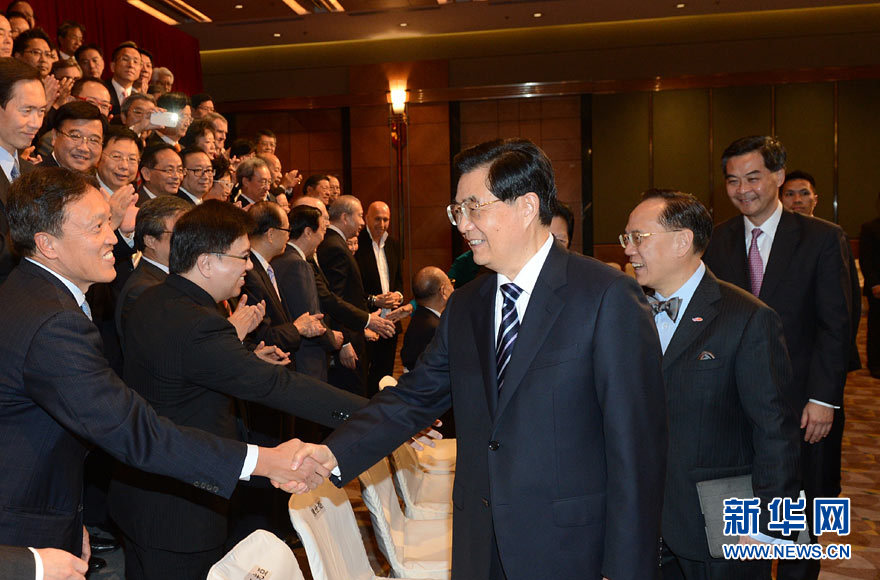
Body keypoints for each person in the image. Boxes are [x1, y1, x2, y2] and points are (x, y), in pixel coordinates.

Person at [293, 138, 667, 580]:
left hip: (570, 548)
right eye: (457, 210)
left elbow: (636, 447)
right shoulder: (468, 304)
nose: (462, 224)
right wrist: (330, 454)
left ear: (527, 206)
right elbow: (413, 399)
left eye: (474, 207)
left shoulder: (605, 295)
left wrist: (627, 568)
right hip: (479, 542)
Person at [0, 167, 324, 560]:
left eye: (111, 221)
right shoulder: (53, 321)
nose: (112, 237)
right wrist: (263, 460)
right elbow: (134, 431)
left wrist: (68, 521)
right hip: (21, 534)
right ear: (47, 244)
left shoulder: (30, 294)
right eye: (97, 226)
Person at [109, 200, 368, 580]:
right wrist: (380, 416)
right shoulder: (197, 322)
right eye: (242, 256)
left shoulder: (155, 298)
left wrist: (244, 355)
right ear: (207, 263)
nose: (249, 266)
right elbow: (277, 386)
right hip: (180, 508)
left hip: (142, 491)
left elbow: (186, 368)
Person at [625, 189, 800, 579]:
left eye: (638, 237)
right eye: (626, 239)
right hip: (643, 521)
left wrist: (771, 529)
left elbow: (775, 434)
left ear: (683, 240)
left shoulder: (747, 318)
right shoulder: (629, 313)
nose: (629, 251)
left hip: (719, 523)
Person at [703, 136, 852, 580]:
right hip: (735, 404)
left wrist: (825, 398)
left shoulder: (823, 238)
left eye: (753, 177)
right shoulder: (717, 240)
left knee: (801, 512)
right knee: (743, 509)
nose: (743, 189)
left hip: (804, 404)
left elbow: (836, 324)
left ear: (778, 176)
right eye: (733, 180)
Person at [355, 200, 405, 395]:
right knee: (365, 376)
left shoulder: (393, 244)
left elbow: (399, 281)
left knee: (385, 375)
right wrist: (375, 300)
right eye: (377, 219)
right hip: (367, 321)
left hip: (390, 321)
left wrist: (398, 296)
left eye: (386, 220)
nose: (382, 224)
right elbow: (354, 290)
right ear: (367, 218)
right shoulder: (357, 244)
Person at [400, 266, 452, 371]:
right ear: (443, 291)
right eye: (450, 282)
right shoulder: (436, 329)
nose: (453, 287)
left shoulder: (420, 316)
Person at [860, 192, 880, 378]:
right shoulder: (870, 228)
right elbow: (867, 260)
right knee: (876, 327)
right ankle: (875, 363)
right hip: (878, 289)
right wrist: (875, 284)